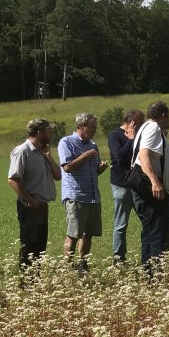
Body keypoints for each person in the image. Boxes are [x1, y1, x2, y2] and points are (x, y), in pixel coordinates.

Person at [7, 118, 62, 270]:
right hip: (30, 207)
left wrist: (49, 156)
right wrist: (30, 200)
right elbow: (12, 179)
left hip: (42, 206)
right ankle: (26, 284)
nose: (52, 133)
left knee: (40, 248)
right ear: (39, 132)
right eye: (49, 130)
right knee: (29, 246)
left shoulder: (42, 152)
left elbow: (58, 176)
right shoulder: (22, 151)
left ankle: (35, 282)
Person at [58, 113, 107, 273]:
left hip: (92, 196)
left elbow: (94, 171)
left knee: (88, 234)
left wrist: (100, 168)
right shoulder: (67, 142)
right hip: (76, 195)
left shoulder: (93, 145)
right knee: (73, 233)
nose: (94, 130)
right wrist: (85, 155)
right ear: (80, 126)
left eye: (95, 127)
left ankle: (82, 265)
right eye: (91, 127)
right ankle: (66, 266)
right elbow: (67, 167)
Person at [133, 101, 169, 271]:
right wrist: (155, 182)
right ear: (164, 115)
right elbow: (144, 155)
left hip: (149, 189)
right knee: (157, 233)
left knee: (150, 231)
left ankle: (149, 272)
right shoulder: (153, 128)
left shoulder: (146, 128)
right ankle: (156, 274)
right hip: (152, 190)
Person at [108, 109, 145, 264]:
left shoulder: (140, 136)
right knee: (121, 223)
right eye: (141, 122)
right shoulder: (114, 135)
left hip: (138, 183)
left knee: (146, 219)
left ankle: (149, 252)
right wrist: (130, 139)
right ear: (132, 122)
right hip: (121, 184)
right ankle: (119, 258)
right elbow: (120, 158)